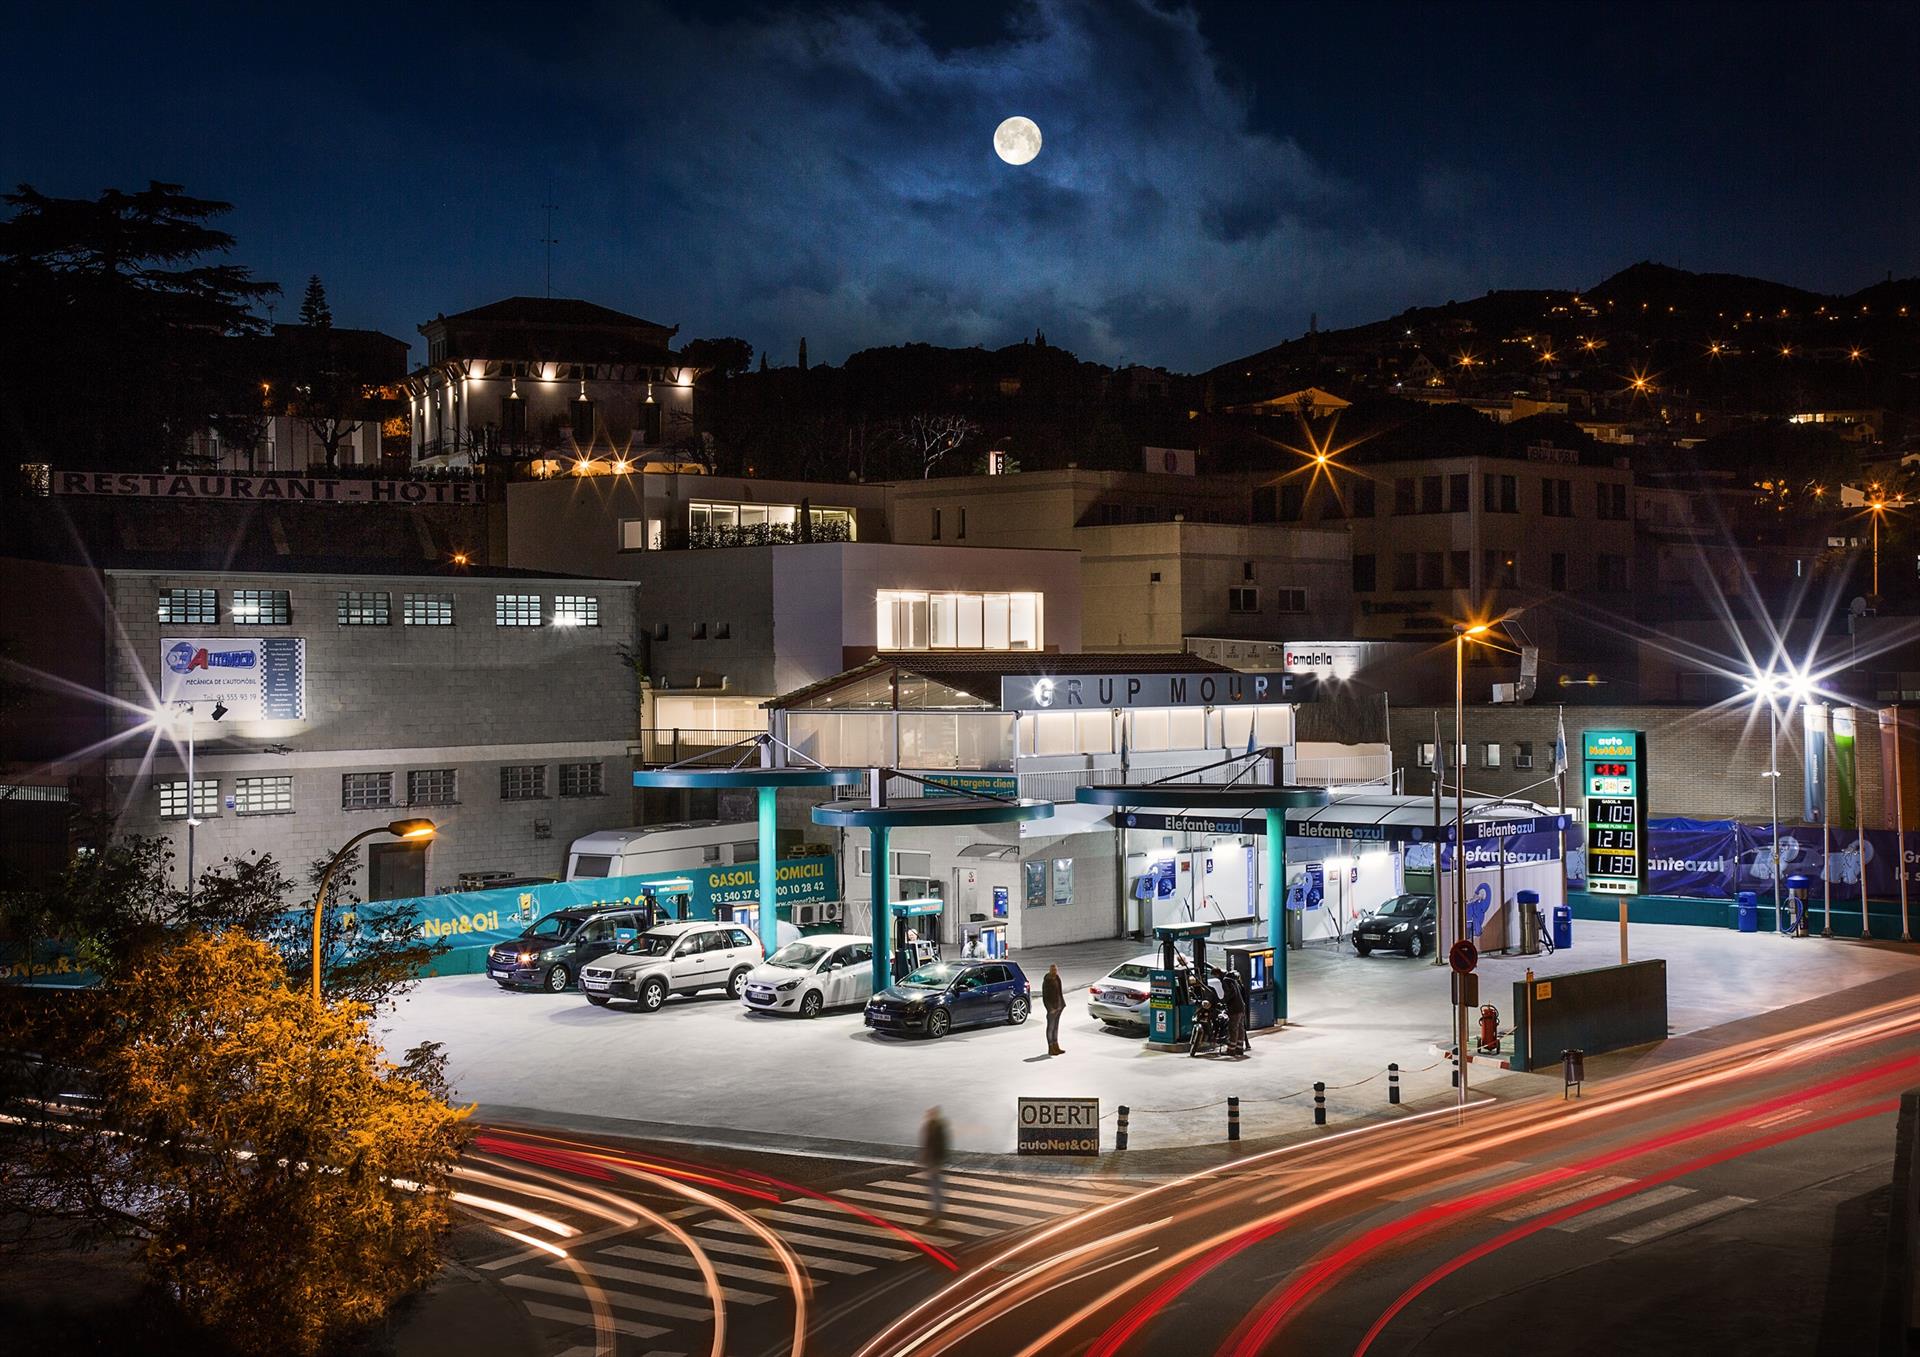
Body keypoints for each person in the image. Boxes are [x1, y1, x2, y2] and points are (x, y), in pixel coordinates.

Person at [920, 1105, 951, 1224]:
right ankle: (935, 1211)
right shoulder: (931, 1125)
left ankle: (936, 1213)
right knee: (933, 1188)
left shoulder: (937, 1126)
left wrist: (937, 1163)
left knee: (935, 1188)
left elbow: (939, 1146)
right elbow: (928, 1144)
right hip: (931, 1161)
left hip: (934, 1161)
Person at [1222, 965, 1249, 1056]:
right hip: (1242, 1007)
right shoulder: (1236, 982)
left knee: (1233, 1028)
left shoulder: (1226, 981)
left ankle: (1231, 1050)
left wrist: (1224, 1001)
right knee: (1240, 1028)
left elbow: (1230, 994)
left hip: (1235, 1008)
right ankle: (1239, 1048)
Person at [1042, 963, 1066, 1056]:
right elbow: (1045, 997)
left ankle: (1056, 1045)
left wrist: (1062, 1004)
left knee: (1056, 1027)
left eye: (1056, 970)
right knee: (1050, 1027)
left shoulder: (1057, 978)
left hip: (1059, 1007)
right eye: (1053, 970)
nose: (1055, 972)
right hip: (1052, 1009)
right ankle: (1050, 1047)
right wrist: (1050, 1009)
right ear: (1050, 970)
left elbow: (1060, 992)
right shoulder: (1047, 981)